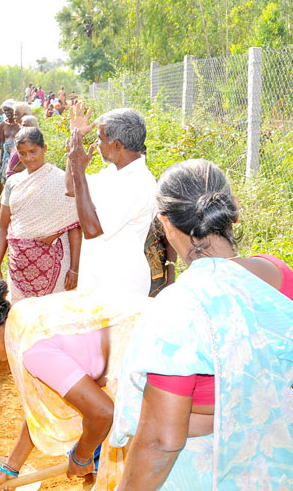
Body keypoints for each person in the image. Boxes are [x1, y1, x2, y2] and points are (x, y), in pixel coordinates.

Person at [112, 159, 293, 491]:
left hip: (206, 476)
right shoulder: (280, 275)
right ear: (233, 212)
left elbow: (161, 440)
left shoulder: (179, 307)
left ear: (165, 223)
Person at [0, 281, 142, 491]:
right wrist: (11, 467)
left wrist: (81, 457)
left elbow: (102, 412)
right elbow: (37, 411)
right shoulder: (21, 317)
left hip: (154, 360)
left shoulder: (32, 349)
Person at [65, 105, 157, 296]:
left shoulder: (138, 182)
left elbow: (91, 229)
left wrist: (79, 170)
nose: (97, 143)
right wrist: (76, 143)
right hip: (99, 278)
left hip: (120, 284)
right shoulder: (113, 173)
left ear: (117, 145)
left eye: (100, 138)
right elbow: (71, 188)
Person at [0, 127, 81, 302]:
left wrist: (74, 269)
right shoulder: (13, 183)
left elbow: (74, 227)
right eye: (22, 153)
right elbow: (3, 225)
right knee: (22, 315)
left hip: (55, 265)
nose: (28, 158)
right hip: (19, 264)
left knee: (53, 314)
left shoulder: (62, 181)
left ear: (45, 148)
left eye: (33, 152)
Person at [3, 115, 38, 179]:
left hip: (20, 179)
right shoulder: (20, 139)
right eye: (22, 125)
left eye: (26, 125)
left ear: (33, 127)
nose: (23, 127)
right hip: (12, 178)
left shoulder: (34, 144)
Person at [0, 102, 19, 183]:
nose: (7, 112)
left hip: (17, 156)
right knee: (6, 178)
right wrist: (0, 159)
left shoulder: (19, 125)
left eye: (9, 110)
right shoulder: (3, 125)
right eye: (5, 110)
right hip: (6, 155)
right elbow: (1, 142)